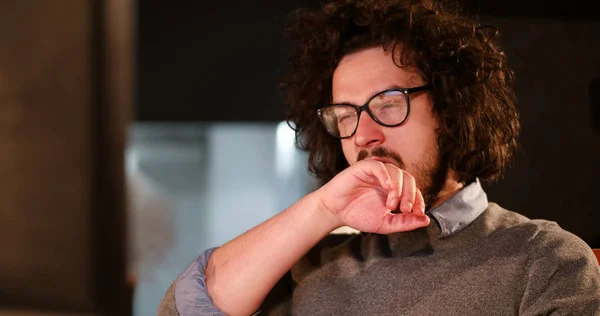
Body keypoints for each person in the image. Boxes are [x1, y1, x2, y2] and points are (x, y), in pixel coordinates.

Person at [158, 0, 600, 315]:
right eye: (345, 115)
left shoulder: (544, 261)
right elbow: (185, 309)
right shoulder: (308, 269)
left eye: (389, 104)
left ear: (450, 109)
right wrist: (324, 209)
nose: (365, 136)